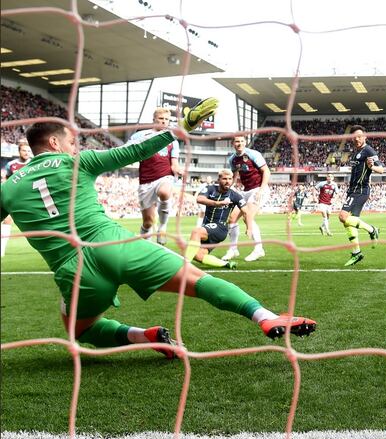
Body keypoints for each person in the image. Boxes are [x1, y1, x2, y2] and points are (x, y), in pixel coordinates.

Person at [0, 100, 315, 361]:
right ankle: (264, 316)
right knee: (199, 281)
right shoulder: (78, 162)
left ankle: (143, 336)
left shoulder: (7, 188)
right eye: (71, 142)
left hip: (74, 270)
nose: (74, 147)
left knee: (79, 332)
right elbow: (134, 152)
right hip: (117, 244)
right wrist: (179, 129)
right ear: (55, 143)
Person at [128, 108, 183, 246]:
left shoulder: (172, 139)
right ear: (154, 119)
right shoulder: (140, 135)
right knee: (148, 222)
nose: (164, 121)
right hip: (146, 182)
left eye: (166, 119)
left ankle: (162, 228)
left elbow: (174, 165)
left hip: (165, 177)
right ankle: (145, 246)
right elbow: (126, 151)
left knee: (165, 192)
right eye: (161, 119)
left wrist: (179, 171)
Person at [186, 169, 252, 269]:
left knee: (196, 232)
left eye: (230, 179)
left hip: (220, 228)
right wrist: (217, 203)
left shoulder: (235, 195)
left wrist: (249, 228)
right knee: (198, 255)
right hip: (207, 227)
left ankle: (184, 265)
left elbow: (246, 211)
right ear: (219, 180)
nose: (228, 181)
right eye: (224, 178)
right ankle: (226, 264)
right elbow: (199, 199)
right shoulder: (210, 188)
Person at [338, 125, 382, 266]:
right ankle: (356, 253)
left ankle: (372, 229)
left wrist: (372, 167)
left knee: (343, 217)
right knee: (348, 222)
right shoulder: (355, 152)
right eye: (354, 137)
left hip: (360, 190)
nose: (356, 138)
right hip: (353, 190)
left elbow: (381, 169)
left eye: (359, 136)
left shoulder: (368, 150)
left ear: (365, 137)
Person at [223, 135, 269, 262]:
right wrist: (226, 188)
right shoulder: (232, 159)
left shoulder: (253, 154)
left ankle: (259, 249)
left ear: (245, 142)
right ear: (233, 143)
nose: (240, 143)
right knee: (231, 218)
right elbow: (235, 175)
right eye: (237, 141)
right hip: (246, 191)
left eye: (242, 141)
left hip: (259, 189)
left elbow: (266, 171)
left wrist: (261, 190)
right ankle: (233, 250)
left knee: (247, 216)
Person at [1, 139, 32, 256]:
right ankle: (2, 251)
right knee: (7, 220)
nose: (26, 153)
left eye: (28, 150)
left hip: (31, 198)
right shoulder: (11, 165)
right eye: (24, 150)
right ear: (19, 151)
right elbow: (6, 181)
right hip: (14, 198)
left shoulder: (34, 163)